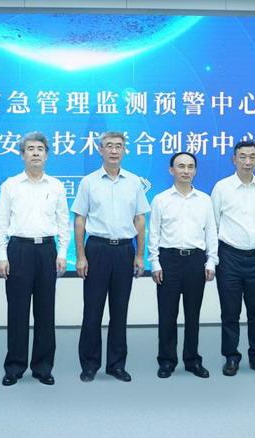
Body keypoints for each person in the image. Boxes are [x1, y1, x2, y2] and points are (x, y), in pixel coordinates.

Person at [72, 131, 149, 383]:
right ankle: (89, 364)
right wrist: (80, 256)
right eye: (109, 146)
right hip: (97, 249)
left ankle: (116, 365)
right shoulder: (89, 182)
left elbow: (140, 219)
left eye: (118, 146)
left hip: (125, 250)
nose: (114, 150)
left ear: (124, 150)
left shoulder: (134, 182)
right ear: (100, 150)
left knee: (120, 310)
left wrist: (140, 255)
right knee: (92, 310)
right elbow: (80, 220)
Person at [0, 132, 69, 386]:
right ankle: (14, 367)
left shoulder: (56, 186)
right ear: (22, 154)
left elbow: (63, 222)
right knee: (17, 311)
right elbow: (1, 223)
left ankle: (43, 367)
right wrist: (1, 256)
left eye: (40, 148)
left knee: (45, 311)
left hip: (47, 251)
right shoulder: (10, 185)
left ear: (46, 154)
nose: (35, 152)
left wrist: (62, 253)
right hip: (19, 250)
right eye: (30, 148)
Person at [148, 152, 217, 379]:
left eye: (190, 166)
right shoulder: (160, 199)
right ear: (171, 170)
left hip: (195, 261)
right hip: (169, 261)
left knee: (192, 314)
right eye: (181, 166)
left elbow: (211, 232)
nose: (186, 171)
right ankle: (167, 361)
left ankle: (192, 360)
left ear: (195, 170)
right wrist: (155, 263)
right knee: (167, 314)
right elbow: (154, 233)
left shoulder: (205, 200)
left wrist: (211, 261)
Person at [210, 139, 255, 377]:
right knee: (230, 311)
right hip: (229, 257)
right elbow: (213, 224)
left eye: (252, 157)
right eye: (243, 157)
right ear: (234, 159)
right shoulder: (222, 187)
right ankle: (231, 357)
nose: (248, 161)